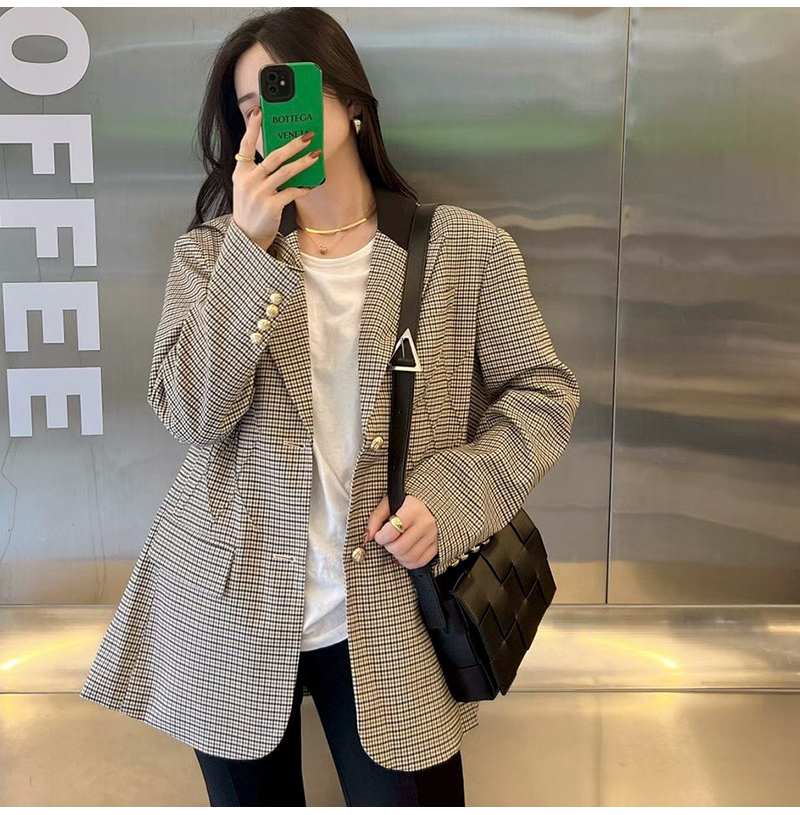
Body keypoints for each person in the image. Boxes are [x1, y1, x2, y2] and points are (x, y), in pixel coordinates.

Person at [79, 7, 581, 807]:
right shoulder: (209, 255)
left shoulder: (463, 248)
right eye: (249, 108)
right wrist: (248, 248)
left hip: (392, 615)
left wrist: (448, 500)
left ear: (350, 104)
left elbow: (543, 394)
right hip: (230, 613)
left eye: (285, 93)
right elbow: (192, 416)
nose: (267, 121)